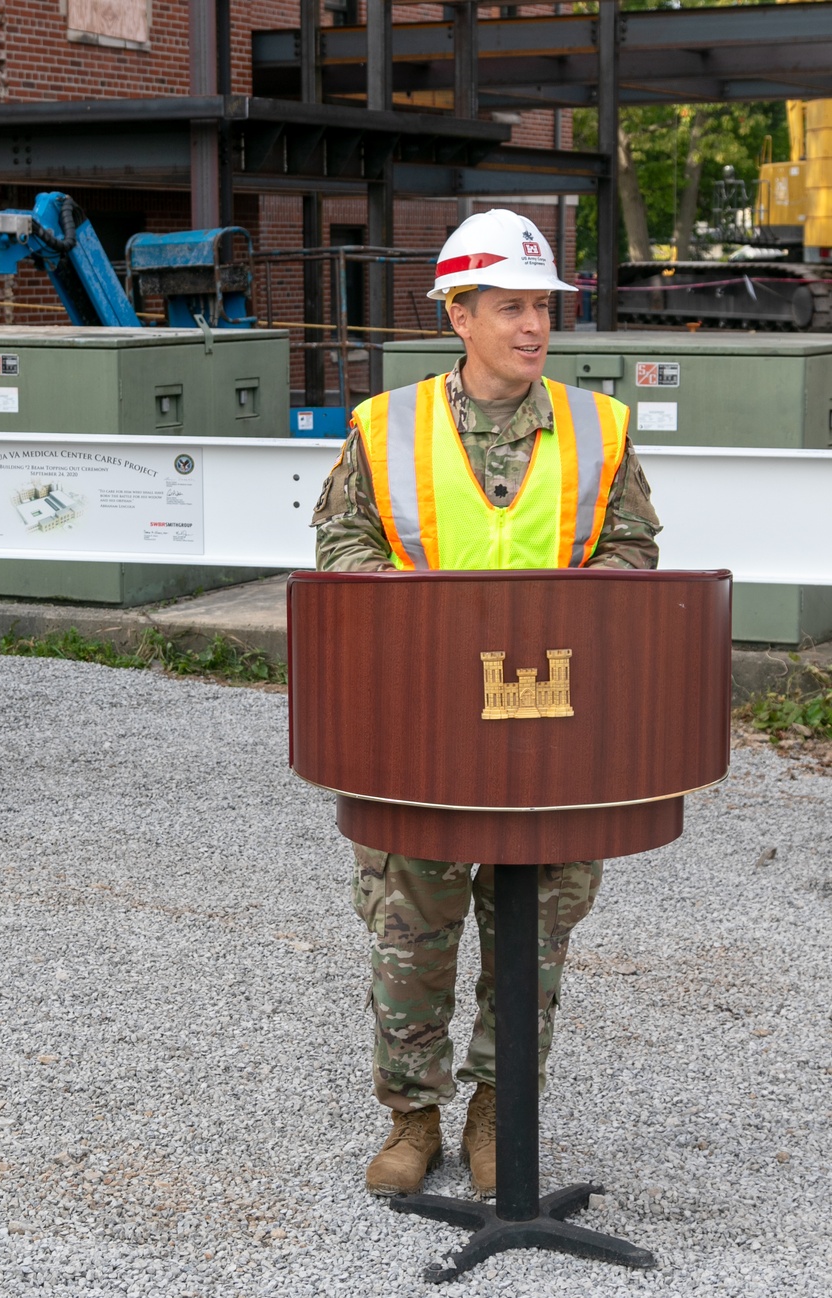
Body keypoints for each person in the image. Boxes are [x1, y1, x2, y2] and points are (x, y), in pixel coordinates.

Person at [311, 209, 662, 1199]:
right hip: (416, 733)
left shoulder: (598, 430)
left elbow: (632, 556)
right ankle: (412, 1120)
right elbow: (343, 547)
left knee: (531, 942)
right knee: (411, 932)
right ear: (457, 315)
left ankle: (497, 1116)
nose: (533, 324)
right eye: (510, 305)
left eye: (542, 305)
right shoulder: (385, 428)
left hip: (552, 734)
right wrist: (416, 621)